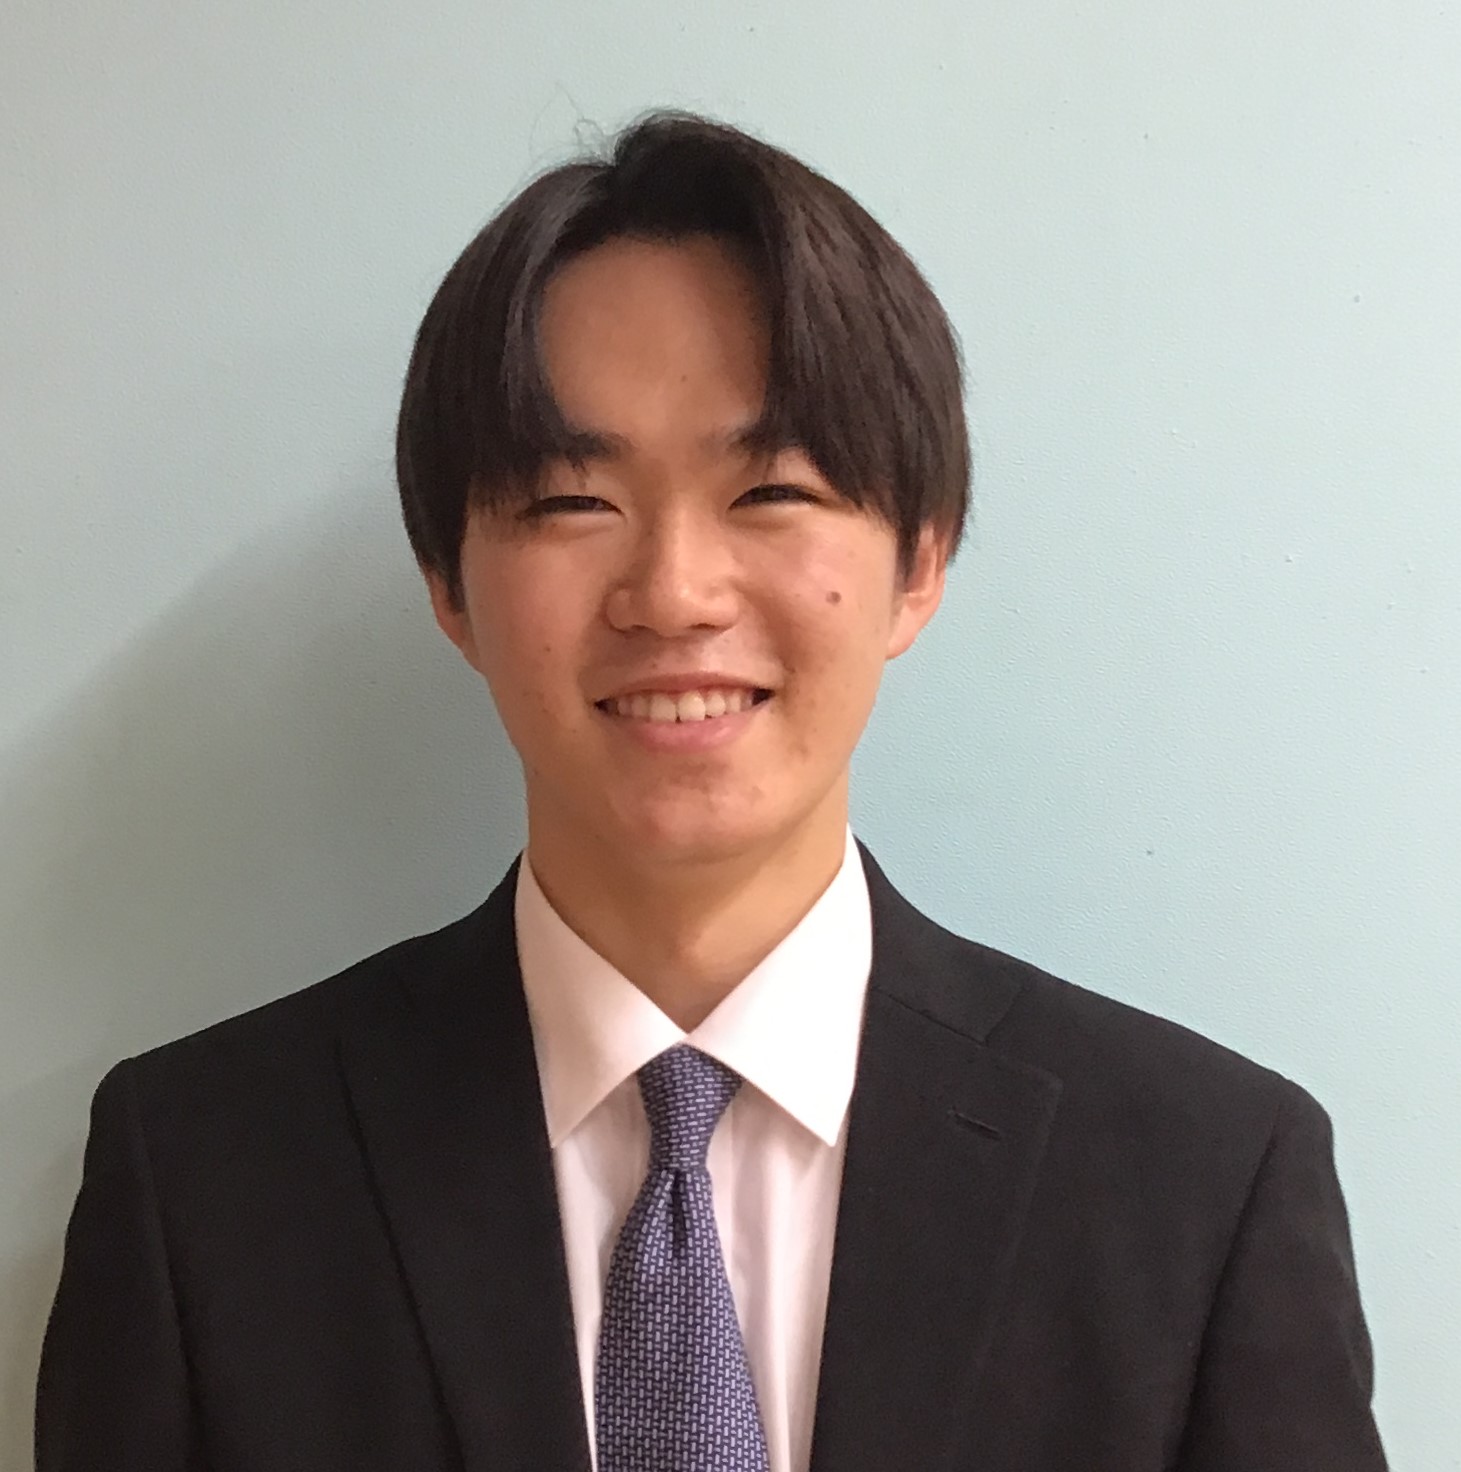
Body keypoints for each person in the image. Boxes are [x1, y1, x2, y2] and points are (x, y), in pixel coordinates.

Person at [36, 112, 1388, 1471]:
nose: (674, 593)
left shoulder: (1202, 1183)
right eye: (571, 501)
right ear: (448, 585)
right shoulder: (203, 1176)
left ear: (918, 562)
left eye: (772, 489)